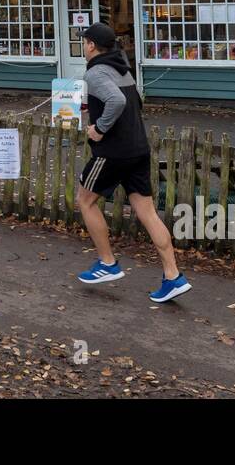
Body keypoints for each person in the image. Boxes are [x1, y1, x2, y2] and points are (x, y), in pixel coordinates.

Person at [75, 22, 191, 303]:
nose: (82, 45)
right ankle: (173, 276)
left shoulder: (95, 72)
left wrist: (99, 129)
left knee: (85, 200)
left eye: (84, 41)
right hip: (139, 148)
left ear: (91, 45)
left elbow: (116, 102)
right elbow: (136, 102)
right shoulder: (123, 69)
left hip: (114, 152)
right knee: (147, 212)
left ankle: (107, 263)